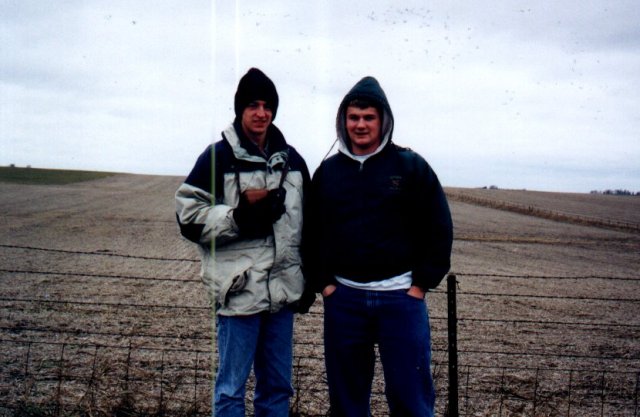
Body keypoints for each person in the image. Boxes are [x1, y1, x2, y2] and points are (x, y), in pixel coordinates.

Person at [305, 76, 453, 417]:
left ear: (383, 120)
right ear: (343, 120)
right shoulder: (328, 173)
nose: (361, 125)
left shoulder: (410, 166)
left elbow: (439, 227)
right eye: (354, 117)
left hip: (400, 299)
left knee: (411, 400)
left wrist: (420, 285)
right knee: (347, 402)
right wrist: (325, 285)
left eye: (368, 117)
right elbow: (310, 233)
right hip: (345, 301)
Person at [175, 67, 312, 417]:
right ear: (240, 109)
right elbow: (188, 217)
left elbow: (309, 227)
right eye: (253, 104)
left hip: (281, 296)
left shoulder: (293, 162)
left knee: (277, 389)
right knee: (231, 391)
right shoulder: (217, 157)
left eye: (267, 105)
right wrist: (237, 218)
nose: (261, 113)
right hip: (239, 295)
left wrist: (308, 278)